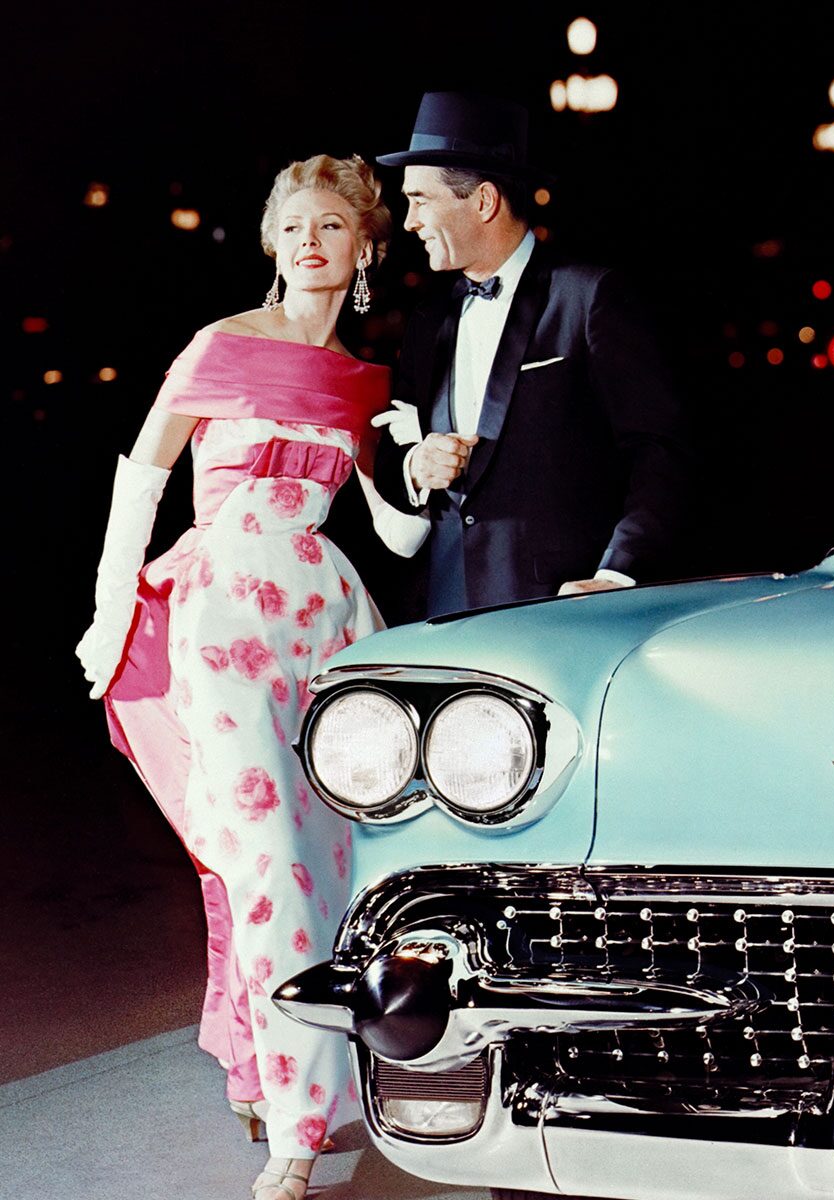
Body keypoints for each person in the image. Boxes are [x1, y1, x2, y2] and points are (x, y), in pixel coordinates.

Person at [75, 154, 427, 1200]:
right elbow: (140, 479)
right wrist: (109, 614)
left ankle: (263, 1055)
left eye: (331, 226)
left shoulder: (363, 380)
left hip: (327, 617)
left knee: (335, 856)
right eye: (292, 227)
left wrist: (411, 459)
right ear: (272, 244)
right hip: (224, 611)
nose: (309, 242)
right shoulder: (220, 347)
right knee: (267, 853)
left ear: (366, 249)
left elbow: (399, 536)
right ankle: (298, 1128)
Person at [371, 91, 694, 617]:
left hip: (563, 615)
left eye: (420, 200)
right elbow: (390, 451)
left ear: (483, 201)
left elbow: (659, 451)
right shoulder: (428, 322)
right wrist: (414, 464)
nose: (409, 221)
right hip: (446, 611)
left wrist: (617, 574)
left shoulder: (589, 297)